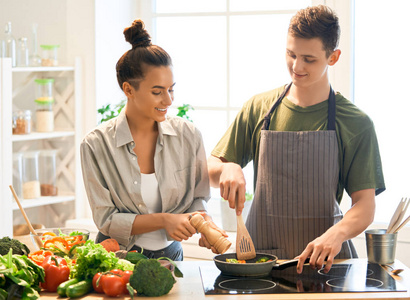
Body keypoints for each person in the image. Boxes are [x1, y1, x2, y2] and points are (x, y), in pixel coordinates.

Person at [207, 5, 385, 273]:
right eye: (291, 54)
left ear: (333, 57)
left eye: (309, 59)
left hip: (325, 264)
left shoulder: (355, 123)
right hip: (260, 261)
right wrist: (227, 167)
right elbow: (210, 168)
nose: (296, 66)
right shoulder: (259, 108)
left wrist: (336, 234)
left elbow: (365, 204)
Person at [81, 19, 218, 261]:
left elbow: (198, 198)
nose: (168, 101)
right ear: (129, 90)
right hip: (115, 259)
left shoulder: (189, 136)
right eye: (157, 91)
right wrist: (164, 220)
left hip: (171, 258)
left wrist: (204, 223)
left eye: (171, 89)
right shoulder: (95, 144)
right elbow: (106, 219)